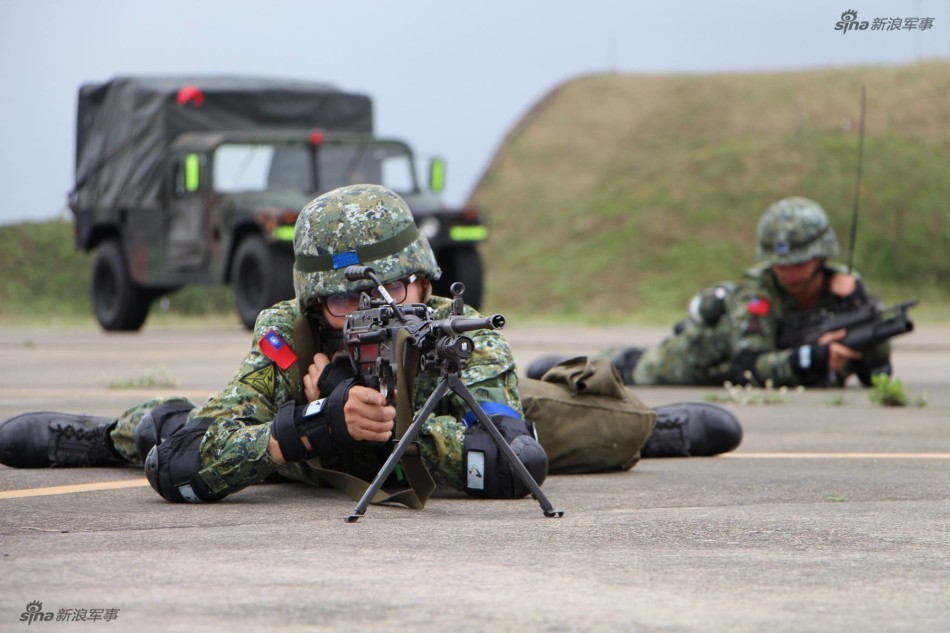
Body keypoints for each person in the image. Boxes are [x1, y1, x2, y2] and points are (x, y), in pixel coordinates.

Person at [0, 185, 741, 501]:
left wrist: (387, 431)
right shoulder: (287, 335)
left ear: (424, 280)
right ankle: (102, 435)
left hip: (458, 416)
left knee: (584, 426)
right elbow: (189, 462)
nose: (387, 307)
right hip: (311, 439)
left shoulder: (460, 332)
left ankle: (661, 428)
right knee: (170, 429)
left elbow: (518, 467)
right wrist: (317, 423)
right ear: (317, 302)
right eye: (358, 295)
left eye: (400, 287)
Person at [528, 196, 892, 388]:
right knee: (611, 370)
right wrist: (813, 358)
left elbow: (877, 373)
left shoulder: (845, 288)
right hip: (677, 364)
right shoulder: (757, 293)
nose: (789, 273)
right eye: (781, 264)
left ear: (820, 256)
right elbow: (749, 366)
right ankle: (565, 366)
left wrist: (859, 304)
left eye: (799, 263)